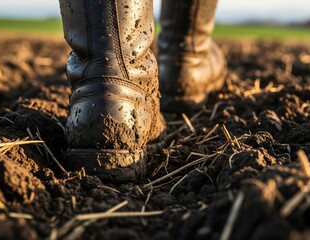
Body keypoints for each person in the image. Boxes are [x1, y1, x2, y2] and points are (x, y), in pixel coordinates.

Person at [58, 0, 226, 182]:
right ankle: (187, 62)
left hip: (88, 107)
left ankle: (94, 90)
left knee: (102, 64)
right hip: (128, 114)